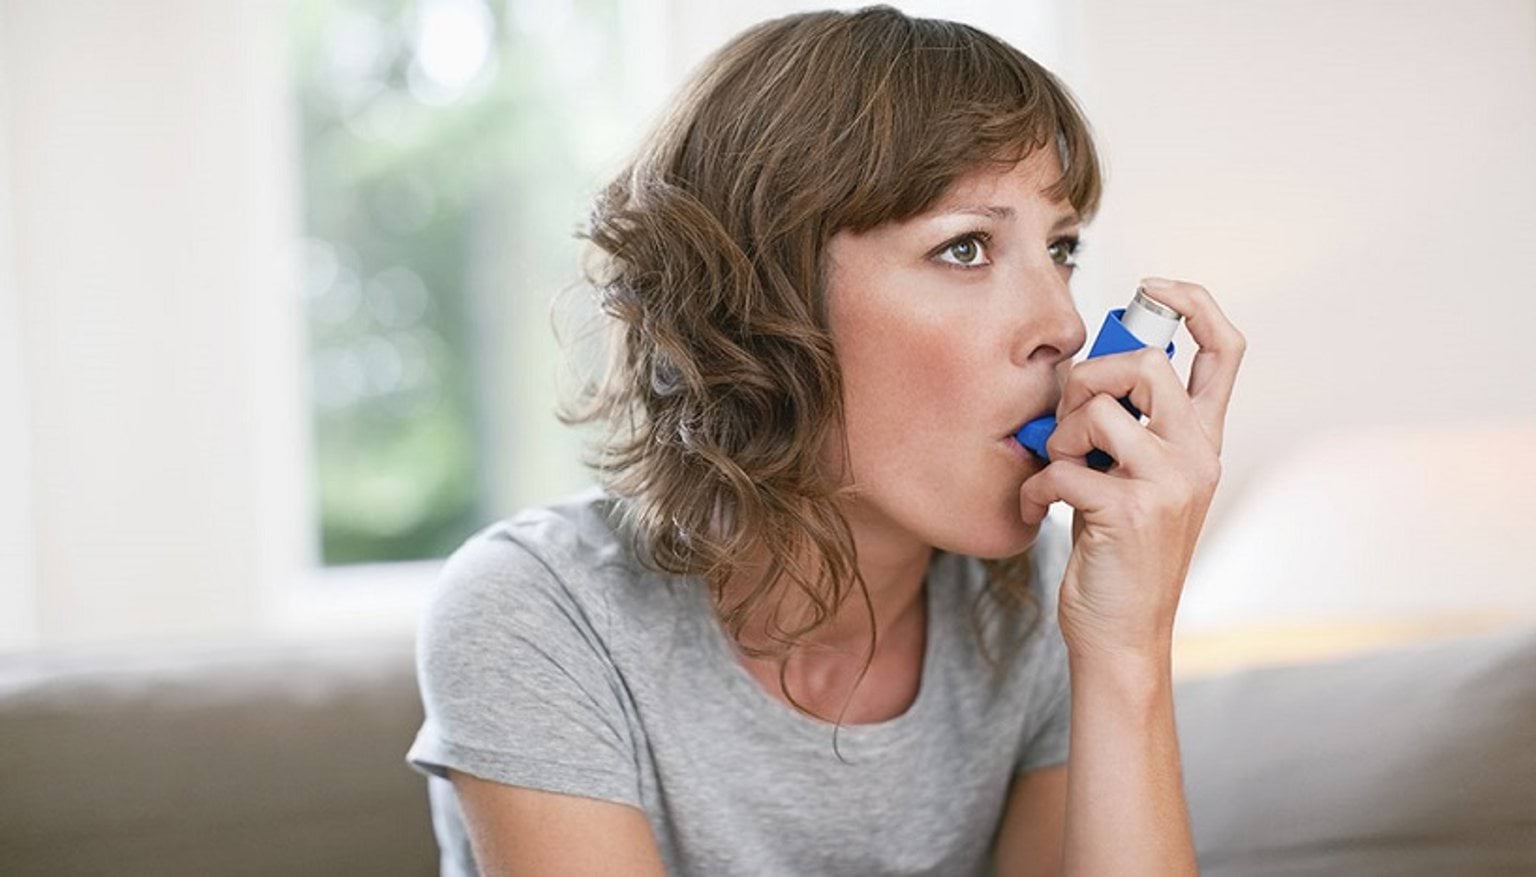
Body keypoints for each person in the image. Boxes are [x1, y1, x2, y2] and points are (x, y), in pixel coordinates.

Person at [405, 5, 1246, 875]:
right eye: (964, 247)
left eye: (1061, 246)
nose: (1064, 326)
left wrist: (1125, 647)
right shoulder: (540, 614)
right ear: (759, 304)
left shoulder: (1030, 609)